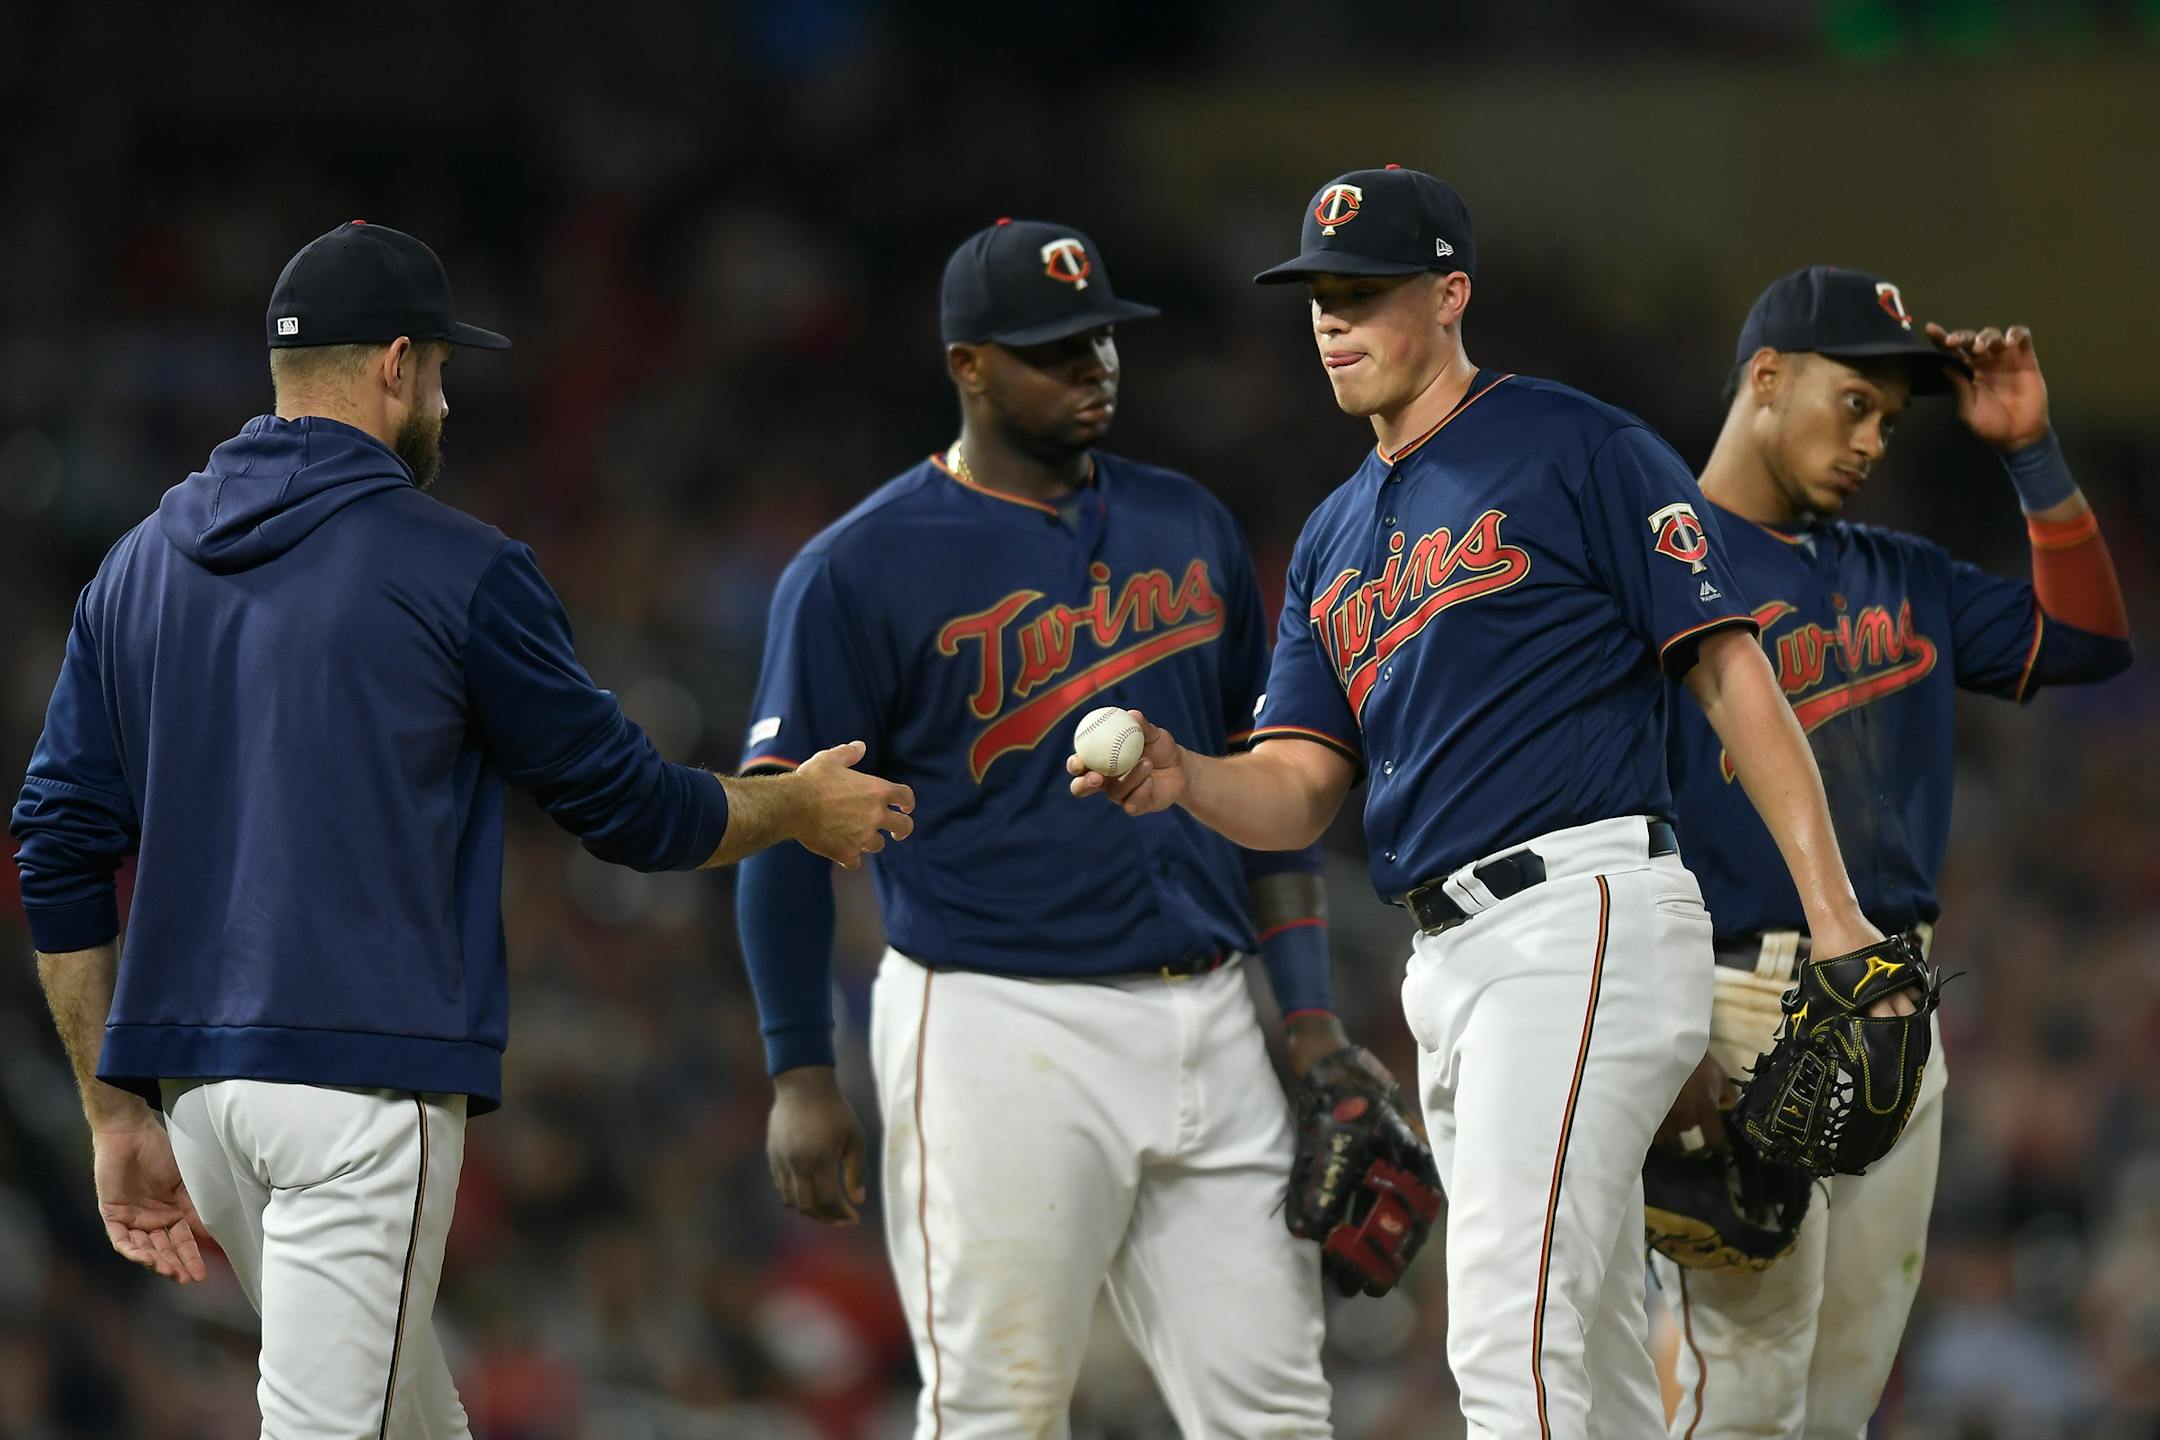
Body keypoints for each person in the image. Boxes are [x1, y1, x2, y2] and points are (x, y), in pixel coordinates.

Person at [10, 220, 912, 1440]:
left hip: (197, 1100)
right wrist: (797, 804)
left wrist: (116, 1114)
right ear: (393, 363)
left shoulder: (134, 569)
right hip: (357, 1092)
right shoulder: (456, 567)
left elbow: (56, 844)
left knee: (416, 1423)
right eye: (439, 369)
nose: (445, 397)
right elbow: (637, 813)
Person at [1069, 167, 1902, 1437]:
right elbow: (1295, 791)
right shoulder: (1336, 537)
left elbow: (1736, 673)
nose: (1331, 320)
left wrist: (1838, 923)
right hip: (1450, 961)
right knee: (1599, 1350)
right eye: (1316, 297)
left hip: (1584, 912)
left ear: (1451, 294)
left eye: (1363, 292)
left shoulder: (1579, 446)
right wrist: (1187, 780)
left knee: (1506, 1333)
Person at [736, 217, 1393, 1437]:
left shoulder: (1187, 523)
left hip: (1212, 1017)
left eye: (1100, 334)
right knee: (999, 1410)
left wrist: (1306, 1022)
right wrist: (799, 1071)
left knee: (1279, 1410)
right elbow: (782, 824)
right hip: (998, 1023)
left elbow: (1271, 790)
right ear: (969, 366)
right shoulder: (857, 569)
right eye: (1052, 346)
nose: (1093, 362)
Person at [1650, 266, 2133, 1437]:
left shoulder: (1896, 573)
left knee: (1841, 1394)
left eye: (1888, 417)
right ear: (1766, 378)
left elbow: (2086, 641)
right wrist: (1664, 1056)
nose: (1871, 437)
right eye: (1852, 401)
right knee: (1744, 1380)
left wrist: (2029, 452)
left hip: (1891, 1006)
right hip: (1731, 998)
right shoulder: (1653, 561)